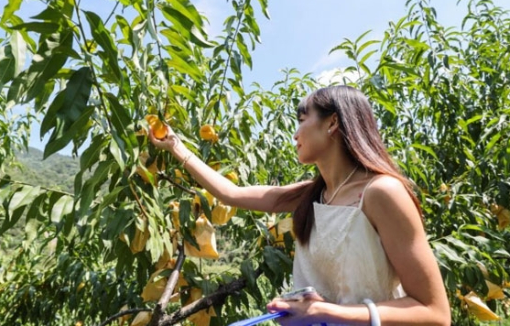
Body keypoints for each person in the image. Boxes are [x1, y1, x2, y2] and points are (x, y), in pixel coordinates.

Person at [149, 85, 451, 325]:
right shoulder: (312, 194)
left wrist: (325, 313)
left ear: (332, 122)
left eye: (302, 119)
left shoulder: (381, 193)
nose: (295, 133)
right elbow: (231, 193)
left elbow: (435, 313)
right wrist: (177, 147)